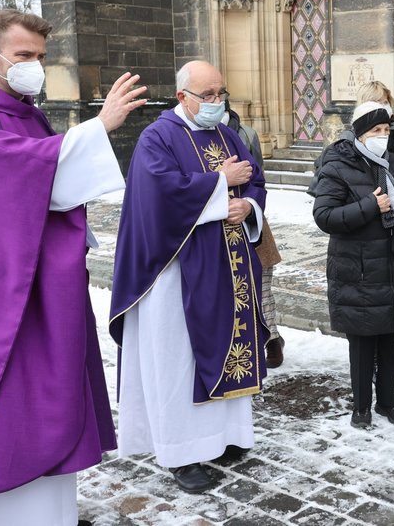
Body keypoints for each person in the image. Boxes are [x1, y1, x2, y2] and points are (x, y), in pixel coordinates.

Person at [0, 9, 147, 524]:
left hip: (40, 291)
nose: (35, 68)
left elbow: (50, 186)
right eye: (24, 56)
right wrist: (98, 129)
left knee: (44, 396)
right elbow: (8, 181)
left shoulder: (24, 108)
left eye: (41, 58)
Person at [109, 60, 268, 493]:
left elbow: (254, 180)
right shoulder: (156, 138)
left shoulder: (227, 133)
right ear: (183, 97)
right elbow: (158, 195)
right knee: (179, 359)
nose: (218, 103)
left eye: (222, 94)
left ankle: (225, 436)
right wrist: (220, 184)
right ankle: (182, 453)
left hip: (228, 264)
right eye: (209, 95)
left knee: (228, 344)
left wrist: (247, 207)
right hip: (174, 271)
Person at [312, 102, 394, 429]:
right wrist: (370, 205)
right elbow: (324, 217)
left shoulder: (392, 161)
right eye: (375, 131)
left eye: (386, 131)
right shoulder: (337, 163)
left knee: (390, 337)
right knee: (363, 343)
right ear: (360, 134)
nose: (383, 137)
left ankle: (388, 402)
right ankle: (362, 407)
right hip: (359, 270)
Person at [224, 101, 285, 367]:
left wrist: (249, 204)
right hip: (218, 223)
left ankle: (272, 340)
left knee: (261, 288)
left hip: (250, 220)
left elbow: (258, 175)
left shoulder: (246, 133)